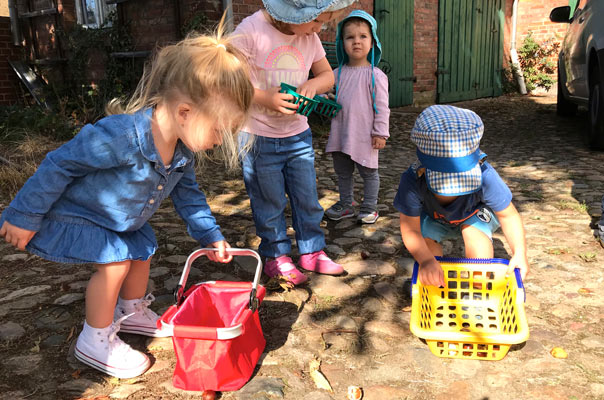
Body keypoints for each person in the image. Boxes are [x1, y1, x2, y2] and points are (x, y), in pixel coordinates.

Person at [0, 26, 254, 378]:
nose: (218, 141)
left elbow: (189, 196)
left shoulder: (180, 153)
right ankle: (95, 338)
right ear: (184, 112)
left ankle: (132, 313)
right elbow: (61, 162)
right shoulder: (120, 137)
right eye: (218, 130)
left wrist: (209, 235)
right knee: (117, 262)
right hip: (78, 216)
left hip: (119, 222)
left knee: (141, 252)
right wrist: (24, 214)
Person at [233, 0, 356, 285]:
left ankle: (311, 251)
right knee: (269, 200)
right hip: (258, 136)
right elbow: (230, 81)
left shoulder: (308, 36)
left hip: (298, 135)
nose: (319, 28)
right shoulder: (250, 30)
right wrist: (265, 98)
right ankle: (276, 255)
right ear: (291, 13)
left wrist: (313, 85)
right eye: (316, 21)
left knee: (307, 197)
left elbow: (327, 75)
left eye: (323, 22)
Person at [393, 105, 529, 287]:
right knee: (427, 249)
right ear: (423, 166)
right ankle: (435, 288)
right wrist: (426, 261)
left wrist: (519, 252)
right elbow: (411, 229)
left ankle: (479, 289)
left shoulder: (485, 175)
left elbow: (509, 215)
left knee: (475, 237)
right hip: (433, 217)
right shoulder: (413, 180)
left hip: (474, 214)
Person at [324, 10, 390, 224]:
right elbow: (323, 88)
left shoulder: (376, 75)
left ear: (373, 42)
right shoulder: (337, 73)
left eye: (363, 36)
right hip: (341, 132)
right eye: (350, 37)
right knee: (343, 172)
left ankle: (369, 206)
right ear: (341, 42)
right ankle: (346, 203)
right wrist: (324, 95)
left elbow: (382, 107)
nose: (356, 42)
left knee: (369, 173)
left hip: (365, 135)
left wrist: (380, 132)